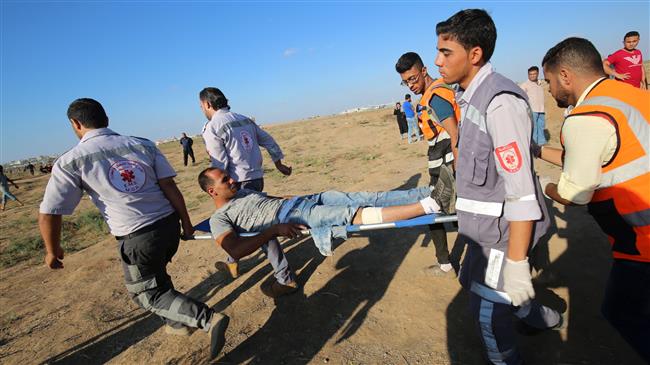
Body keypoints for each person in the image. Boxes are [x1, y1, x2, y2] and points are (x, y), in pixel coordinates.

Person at [38, 98, 229, 359]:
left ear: (75, 123)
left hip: (137, 237)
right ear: (106, 118)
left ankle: (208, 319)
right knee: (155, 273)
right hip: (168, 225)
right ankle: (176, 323)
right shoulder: (142, 144)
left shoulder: (71, 161)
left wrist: (52, 249)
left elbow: (50, 211)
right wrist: (185, 222)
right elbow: (170, 187)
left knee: (146, 293)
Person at [434, 9, 563, 364]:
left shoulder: (499, 102)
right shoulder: (471, 97)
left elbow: (520, 193)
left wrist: (518, 262)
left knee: (488, 317)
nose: (437, 61)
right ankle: (545, 319)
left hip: (503, 241)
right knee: (496, 295)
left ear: (474, 54)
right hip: (484, 236)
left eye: (446, 53)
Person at [538, 37, 649, 362]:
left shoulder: (585, 116)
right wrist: (535, 150)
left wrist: (543, 185)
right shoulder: (629, 96)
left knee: (621, 311)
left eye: (549, 81)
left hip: (643, 242)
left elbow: (574, 192)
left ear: (565, 75)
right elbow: (596, 156)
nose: (549, 90)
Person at [197, 166, 455, 259]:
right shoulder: (220, 219)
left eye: (229, 177)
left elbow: (271, 201)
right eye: (225, 181)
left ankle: (429, 191)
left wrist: (295, 197)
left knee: (366, 197)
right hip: (296, 218)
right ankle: (431, 205)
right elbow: (235, 250)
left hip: (304, 201)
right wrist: (273, 231)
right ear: (212, 192)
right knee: (355, 214)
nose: (233, 181)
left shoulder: (243, 193)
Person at [199, 87, 296, 298]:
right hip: (256, 178)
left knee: (259, 231)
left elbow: (219, 162)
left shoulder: (212, 126)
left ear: (207, 104)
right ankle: (231, 262)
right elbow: (268, 140)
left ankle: (285, 278)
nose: (202, 110)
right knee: (246, 226)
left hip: (236, 185)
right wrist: (278, 163)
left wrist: (218, 187)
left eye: (201, 106)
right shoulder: (243, 119)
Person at [395, 52, 462, 276]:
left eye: (413, 78)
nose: (410, 85)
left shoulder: (434, 97)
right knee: (443, 213)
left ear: (424, 71)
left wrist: (457, 171)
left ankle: (448, 264)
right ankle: (446, 262)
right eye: (405, 82)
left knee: (436, 213)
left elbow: (455, 134)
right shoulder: (430, 94)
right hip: (440, 160)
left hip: (448, 163)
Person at [519, 66, 547, 145]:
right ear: (528, 75)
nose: (532, 76)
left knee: (541, 127)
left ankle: (541, 143)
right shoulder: (525, 85)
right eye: (530, 74)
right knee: (533, 128)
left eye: (534, 74)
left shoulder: (540, 83)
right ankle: (534, 145)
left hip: (541, 109)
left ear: (537, 74)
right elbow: (520, 95)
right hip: (532, 110)